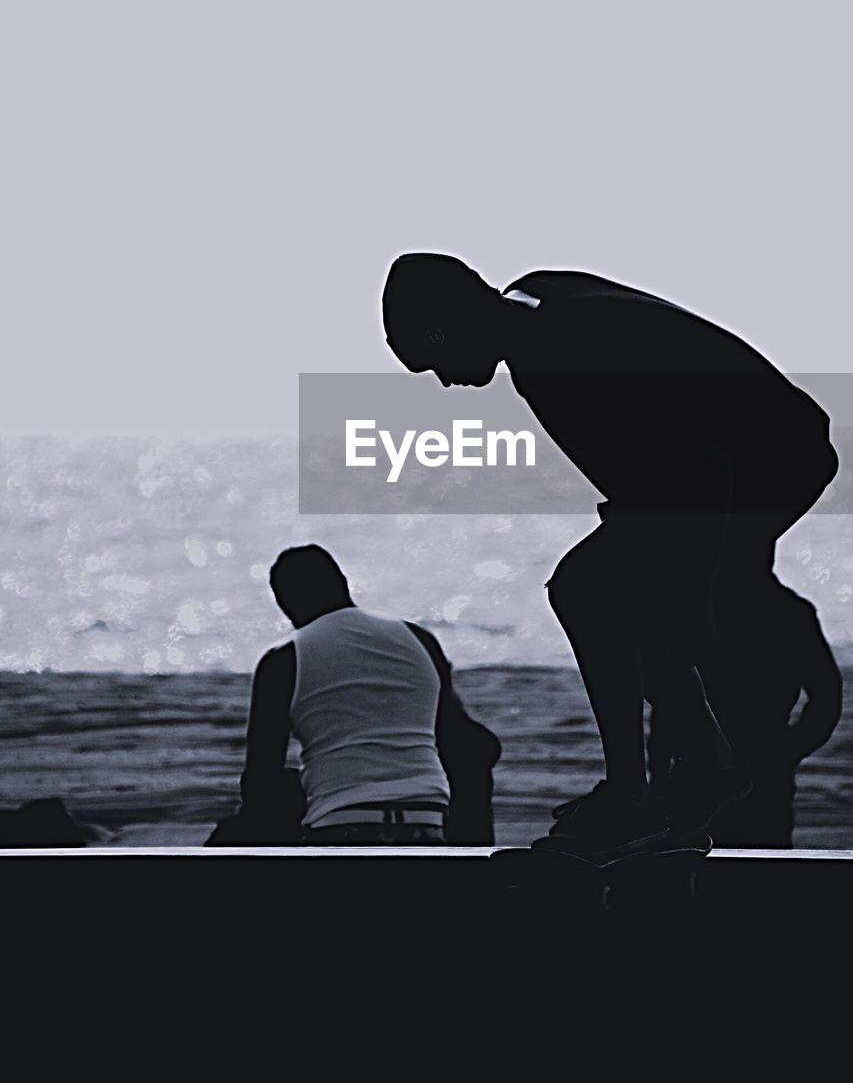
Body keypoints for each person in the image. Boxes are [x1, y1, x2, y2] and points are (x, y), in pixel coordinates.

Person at [382, 253, 839, 857]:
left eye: (432, 357)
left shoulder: (557, 352)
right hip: (739, 460)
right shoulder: (535, 307)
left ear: (450, 324)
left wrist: (707, 586)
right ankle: (695, 766)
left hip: (768, 461)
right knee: (610, 591)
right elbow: (642, 465)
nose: (442, 380)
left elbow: (702, 466)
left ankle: (649, 785)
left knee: (590, 590)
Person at [235, 543, 501, 848]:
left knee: (276, 788)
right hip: (427, 820)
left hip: (339, 826)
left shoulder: (283, 660)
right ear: (343, 584)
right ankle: (477, 877)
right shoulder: (419, 640)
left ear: (285, 603)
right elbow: (466, 743)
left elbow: (260, 776)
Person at [649, 589, 842, 848]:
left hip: (734, 770)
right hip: (734, 770)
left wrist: (789, 750)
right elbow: (827, 696)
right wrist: (789, 750)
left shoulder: (787, 613)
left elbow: (826, 697)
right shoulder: (789, 612)